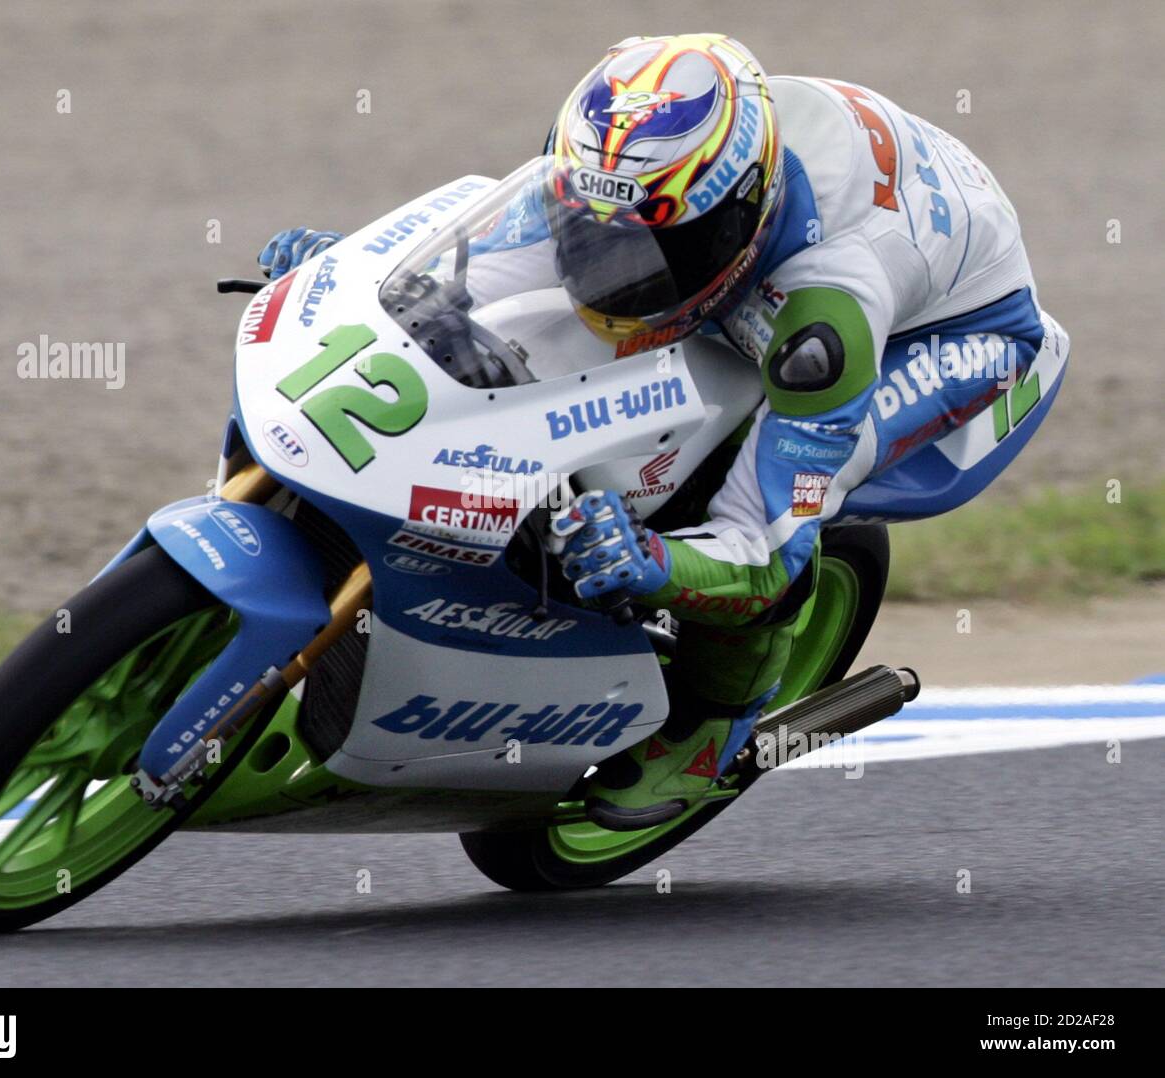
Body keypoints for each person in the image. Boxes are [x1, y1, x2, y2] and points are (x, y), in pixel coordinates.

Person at [257, 33, 1051, 830]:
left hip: (952, 330)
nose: (609, 269)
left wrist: (655, 560)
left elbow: (763, 553)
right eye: (591, 229)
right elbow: (483, 263)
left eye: (651, 247)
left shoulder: (829, 312)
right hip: (804, 226)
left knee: (768, 503)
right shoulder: (629, 180)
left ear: (735, 217)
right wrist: (362, 280)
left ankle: (709, 730)